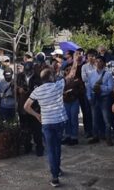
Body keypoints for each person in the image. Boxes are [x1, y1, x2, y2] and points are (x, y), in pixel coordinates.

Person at [24, 53, 78, 187]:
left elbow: (26, 106)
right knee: (57, 146)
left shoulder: (38, 91)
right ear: (51, 77)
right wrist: (76, 61)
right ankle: (57, 171)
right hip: (59, 121)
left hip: (46, 122)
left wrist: (37, 115)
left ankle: (55, 175)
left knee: (51, 149)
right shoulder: (57, 86)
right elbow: (71, 75)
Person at [86, 55, 114, 146]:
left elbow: (111, 87)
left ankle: (108, 137)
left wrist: (101, 88)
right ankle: (95, 136)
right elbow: (89, 87)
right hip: (95, 98)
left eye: (100, 61)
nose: (98, 63)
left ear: (104, 63)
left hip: (104, 98)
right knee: (95, 118)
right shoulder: (91, 74)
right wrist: (89, 97)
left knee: (107, 119)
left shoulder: (108, 74)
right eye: (97, 61)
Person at [17, 62, 44, 156]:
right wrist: (18, 89)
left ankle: (39, 147)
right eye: (26, 71)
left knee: (37, 129)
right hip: (22, 105)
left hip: (35, 107)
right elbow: (14, 87)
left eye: (29, 71)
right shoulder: (19, 76)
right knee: (25, 128)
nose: (28, 73)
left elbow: (39, 91)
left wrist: (28, 91)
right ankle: (27, 146)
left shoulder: (37, 78)